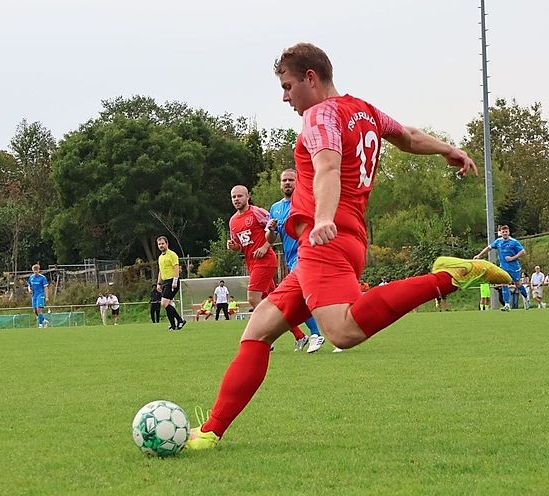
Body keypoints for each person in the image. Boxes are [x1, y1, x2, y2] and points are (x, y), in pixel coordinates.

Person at [186, 42, 509, 451]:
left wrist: (322, 217)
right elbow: (407, 135)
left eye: (287, 86)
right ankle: (212, 431)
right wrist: (448, 148)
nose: (284, 96)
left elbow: (327, 165)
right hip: (346, 238)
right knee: (258, 329)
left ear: (311, 78)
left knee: (343, 331)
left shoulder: (319, 115)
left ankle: (446, 277)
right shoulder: (365, 110)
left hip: (327, 239)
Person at [229, 184, 309, 351]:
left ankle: (265, 336)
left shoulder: (257, 212)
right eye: (234, 197)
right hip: (252, 263)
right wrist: (233, 246)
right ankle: (300, 336)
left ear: (247, 196)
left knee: (253, 298)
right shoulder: (233, 221)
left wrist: (265, 247)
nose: (236, 199)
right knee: (275, 303)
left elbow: (273, 229)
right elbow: (239, 245)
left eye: (239, 196)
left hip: (265, 261)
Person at [266, 168, 326, 353]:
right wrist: (270, 229)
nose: (287, 183)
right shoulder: (275, 208)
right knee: (309, 298)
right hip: (291, 259)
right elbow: (270, 240)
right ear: (280, 183)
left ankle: (316, 334)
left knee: (299, 297)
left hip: (307, 254)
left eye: (291, 180)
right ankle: (334, 328)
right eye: (284, 180)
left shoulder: (306, 201)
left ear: (298, 182)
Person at [473, 224, 526, 311]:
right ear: (501, 232)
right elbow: (489, 248)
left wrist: (513, 258)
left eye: (506, 232)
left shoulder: (514, 242)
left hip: (514, 267)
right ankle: (507, 305)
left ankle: (526, 298)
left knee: (518, 284)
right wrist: (479, 255)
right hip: (503, 267)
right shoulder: (498, 241)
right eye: (503, 232)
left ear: (509, 232)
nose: (505, 233)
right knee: (504, 283)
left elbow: (523, 252)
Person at [156, 235, 186, 330]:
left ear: (167, 244)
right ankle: (173, 325)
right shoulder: (160, 257)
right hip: (165, 282)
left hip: (172, 281)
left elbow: (176, 268)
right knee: (167, 304)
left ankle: (180, 320)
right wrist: (158, 283)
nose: (161, 245)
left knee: (164, 303)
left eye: (162, 243)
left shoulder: (172, 254)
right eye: (159, 244)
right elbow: (160, 271)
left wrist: (175, 281)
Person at [28, 264, 49, 328]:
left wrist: (47, 296)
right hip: (34, 295)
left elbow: (45, 287)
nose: (35, 271)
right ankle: (44, 320)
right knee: (35, 311)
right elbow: (29, 285)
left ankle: (40, 325)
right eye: (34, 270)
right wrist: (29, 290)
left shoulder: (42, 278)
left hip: (40, 294)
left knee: (39, 309)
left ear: (39, 270)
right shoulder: (31, 277)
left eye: (37, 270)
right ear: (33, 271)